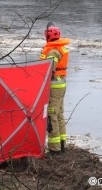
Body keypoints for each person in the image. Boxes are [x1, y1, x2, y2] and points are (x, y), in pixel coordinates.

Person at [39, 22, 70, 155]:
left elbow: (49, 69)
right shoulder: (61, 48)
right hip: (61, 84)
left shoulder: (52, 51)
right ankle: (62, 145)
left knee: (52, 116)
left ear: (47, 36)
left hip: (54, 86)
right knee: (60, 114)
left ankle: (54, 149)